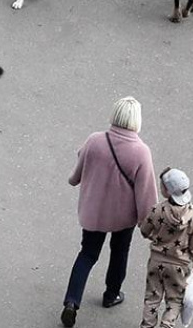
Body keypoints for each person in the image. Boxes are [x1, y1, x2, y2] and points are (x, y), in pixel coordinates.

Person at [61, 96, 159, 328]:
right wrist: (148, 224)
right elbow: (146, 192)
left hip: (94, 211)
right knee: (119, 252)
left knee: (87, 254)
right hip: (122, 217)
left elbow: (79, 167)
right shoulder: (141, 152)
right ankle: (111, 294)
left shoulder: (95, 140)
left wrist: (74, 178)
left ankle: (71, 302)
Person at [139, 167, 193, 328]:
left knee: (152, 298)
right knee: (174, 300)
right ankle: (167, 324)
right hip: (179, 266)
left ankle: (147, 325)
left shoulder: (157, 209)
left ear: (167, 192)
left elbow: (144, 230)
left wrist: (154, 237)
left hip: (156, 261)